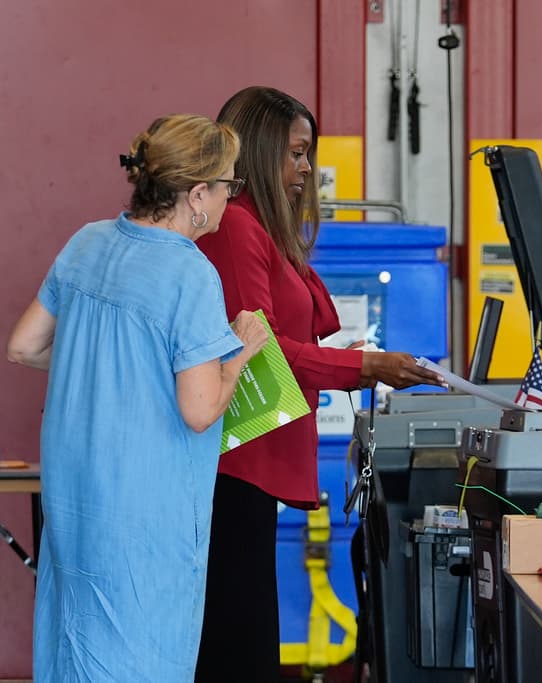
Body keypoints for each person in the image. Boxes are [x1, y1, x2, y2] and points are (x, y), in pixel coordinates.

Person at [6, 113, 270, 681]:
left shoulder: (88, 241)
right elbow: (199, 410)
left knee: (74, 647)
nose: (230, 199)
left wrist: (106, 367)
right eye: (229, 186)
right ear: (198, 194)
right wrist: (242, 350)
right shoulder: (189, 272)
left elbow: (25, 347)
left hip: (75, 503)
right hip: (143, 515)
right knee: (139, 655)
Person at [194, 85, 444, 680]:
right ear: (255, 152)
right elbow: (258, 349)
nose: (308, 169)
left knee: (248, 631)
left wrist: (353, 359)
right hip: (233, 461)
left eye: (309, 154)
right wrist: (366, 368)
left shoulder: (263, 229)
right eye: (296, 153)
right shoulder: (236, 229)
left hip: (254, 459)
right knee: (238, 639)